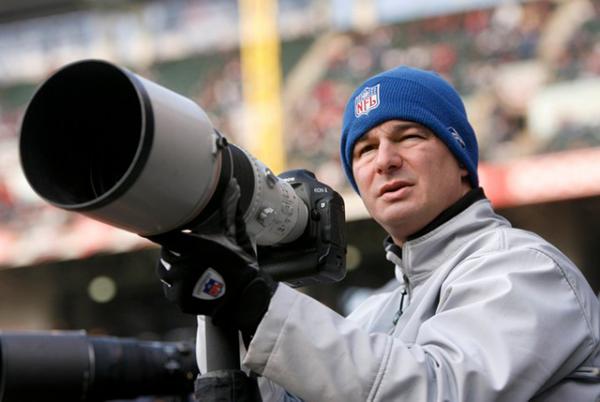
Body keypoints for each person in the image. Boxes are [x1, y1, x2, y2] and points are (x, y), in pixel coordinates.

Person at [157, 66, 600, 401]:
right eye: (365, 149)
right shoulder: (378, 312)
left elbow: (433, 389)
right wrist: (220, 297)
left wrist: (258, 304)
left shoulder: (524, 268)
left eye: (408, 137)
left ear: (462, 161)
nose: (384, 160)